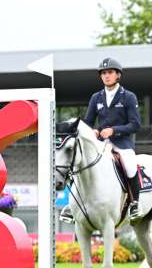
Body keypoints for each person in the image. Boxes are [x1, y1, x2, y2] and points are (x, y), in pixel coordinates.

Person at [61, 57, 142, 222]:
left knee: (130, 167)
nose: (107, 76)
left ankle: (134, 203)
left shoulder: (128, 96)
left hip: (122, 144)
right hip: (101, 144)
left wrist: (114, 130)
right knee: (80, 164)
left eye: (110, 72)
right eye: (104, 73)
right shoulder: (96, 98)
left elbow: (135, 124)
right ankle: (71, 206)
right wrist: (94, 131)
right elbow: (88, 122)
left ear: (118, 75)